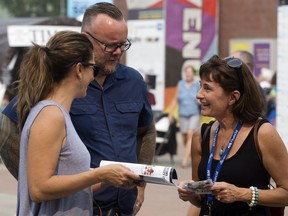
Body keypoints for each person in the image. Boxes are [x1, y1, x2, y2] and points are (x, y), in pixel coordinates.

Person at [1, 2, 156, 216]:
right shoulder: (52, 104)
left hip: (120, 208)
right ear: (86, 40)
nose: (118, 51)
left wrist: (140, 183)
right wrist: (37, 177)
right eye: (110, 45)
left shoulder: (133, 81)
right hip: (76, 206)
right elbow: (6, 128)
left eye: (123, 44)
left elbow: (146, 130)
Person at [177, 55, 288, 215]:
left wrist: (242, 194)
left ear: (232, 97)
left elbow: (286, 192)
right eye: (200, 86)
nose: (199, 95)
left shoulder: (262, 133)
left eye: (207, 88)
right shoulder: (201, 135)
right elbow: (201, 201)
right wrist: (192, 193)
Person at [168, 65, 200, 168]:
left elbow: (202, 98)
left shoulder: (197, 85)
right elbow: (175, 99)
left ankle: (185, 160)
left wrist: (199, 100)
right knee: (185, 136)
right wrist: (170, 113)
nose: (188, 74)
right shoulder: (180, 84)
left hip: (194, 113)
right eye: (187, 72)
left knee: (191, 134)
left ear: (193, 73)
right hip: (182, 114)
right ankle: (190, 152)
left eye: (190, 72)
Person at [231, 50, 268, 117]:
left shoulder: (250, 87)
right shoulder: (250, 85)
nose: (228, 67)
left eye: (233, 62)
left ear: (246, 66)